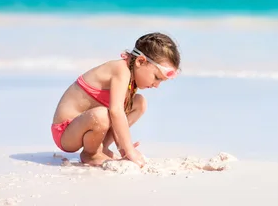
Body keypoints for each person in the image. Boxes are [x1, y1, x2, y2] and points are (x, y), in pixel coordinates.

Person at [50, 32, 181, 167]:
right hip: (66, 131)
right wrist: (129, 149)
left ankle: (101, 147)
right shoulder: (121, 70)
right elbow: (116, 112)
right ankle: (91, 154)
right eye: (157, 77)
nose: (157, 85)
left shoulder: (131, 77)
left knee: (139, 103)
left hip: (84, 124)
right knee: (103, 115)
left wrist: (122, 148)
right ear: (140, 61)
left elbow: (119, 116)